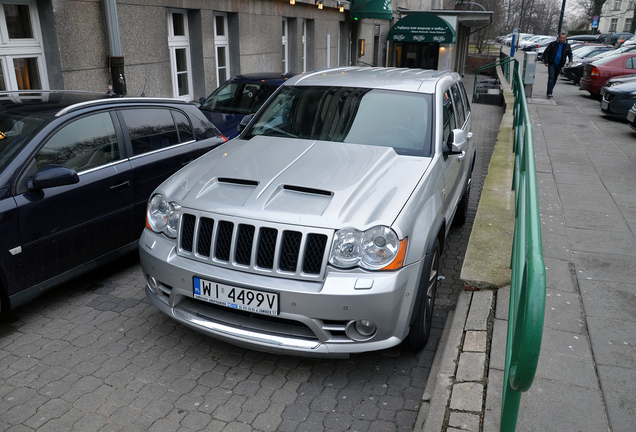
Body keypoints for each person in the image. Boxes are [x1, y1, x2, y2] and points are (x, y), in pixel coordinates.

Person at [543, 33, 573, 98]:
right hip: (552, 63)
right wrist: (546, 62)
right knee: (551, 77)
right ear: (559, 38)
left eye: (563, 38)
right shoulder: (553, 44)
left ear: (565, 38)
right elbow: (546, 53)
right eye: (561, 38)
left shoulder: (567, 46)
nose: (562, 39)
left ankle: (551, 89)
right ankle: (549, 92)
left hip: (560, 64)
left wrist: (570, 61)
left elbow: (570, 54)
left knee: (555, 78)